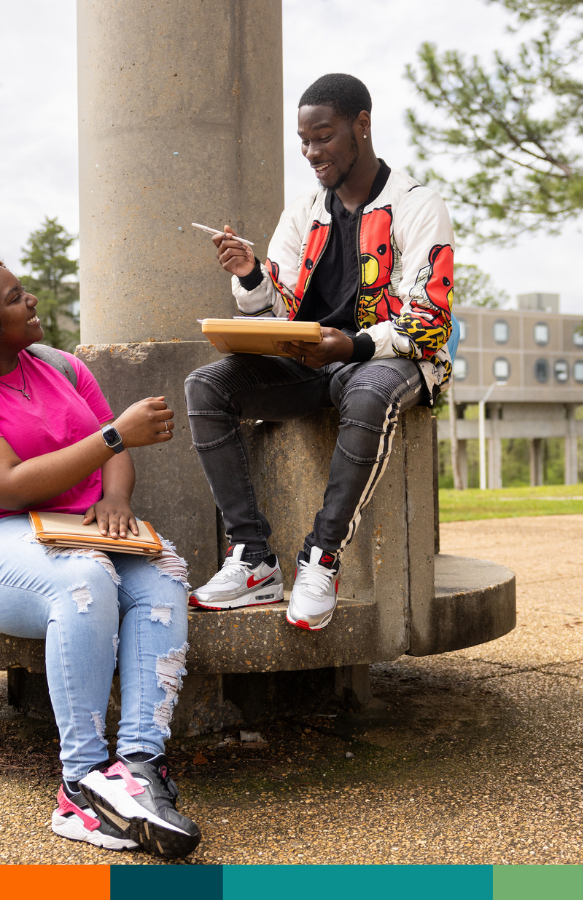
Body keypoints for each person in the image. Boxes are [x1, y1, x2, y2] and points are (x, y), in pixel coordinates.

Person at [0, 251, 201, 859]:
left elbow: (110, 454)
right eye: (15, 298)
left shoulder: (62, 368)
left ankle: (142, 766)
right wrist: (114, 434)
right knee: (85, 581)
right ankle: (82, 785)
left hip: (81, 531)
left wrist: (116, 498)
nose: (31, 301)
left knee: (163, 577)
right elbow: (7, 485)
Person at [185, 72, 455, 631]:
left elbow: (430, 321)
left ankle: (321, 558)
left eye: (324, 137)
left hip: (388, 360)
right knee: (206, 386)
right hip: (311, 362)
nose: (312, 152)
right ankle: (254, 558)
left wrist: (354, 343)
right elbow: (273, 311)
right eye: (304, 141)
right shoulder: (304, 211)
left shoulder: (417, 204)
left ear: (362, 125)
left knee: (371, 390)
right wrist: (251, 275)